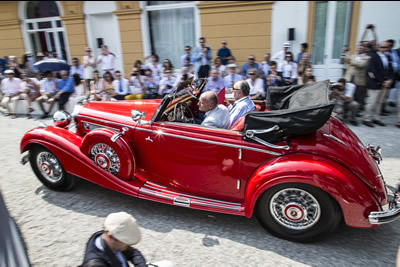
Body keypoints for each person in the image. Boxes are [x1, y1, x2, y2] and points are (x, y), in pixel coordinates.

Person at [80, 212, 146, 267]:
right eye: (125, 241)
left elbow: (132, 252)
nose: (128, 244)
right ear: (110, 237)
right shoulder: (96, 265)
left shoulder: (110, 240)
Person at [362, 41, 394, 127]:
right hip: (375, 83)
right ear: (378, 48)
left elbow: (391, 70)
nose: (384, 49)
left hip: (385, 84)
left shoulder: (388, 57)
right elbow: (371, 71)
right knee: (372, 101)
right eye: (382, 47)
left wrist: (390, 80)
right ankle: (367, 118)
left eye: (386, 47)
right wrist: (382, 81)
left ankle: (376, 118)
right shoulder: (374, 57)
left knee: (380, 102)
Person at [344, 43, 370, 111]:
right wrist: (345, 53)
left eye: (361, 48)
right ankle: (347, 109)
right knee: (349, 94)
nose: (358, 50)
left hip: (359, 79)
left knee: (358, 96)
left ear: (365, 50)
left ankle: (357, 110)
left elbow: (361, 65)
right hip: (350, 77)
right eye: (358, 48)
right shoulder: (353, 56)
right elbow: (347, 61)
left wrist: (351, 61)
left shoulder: (367, 58)